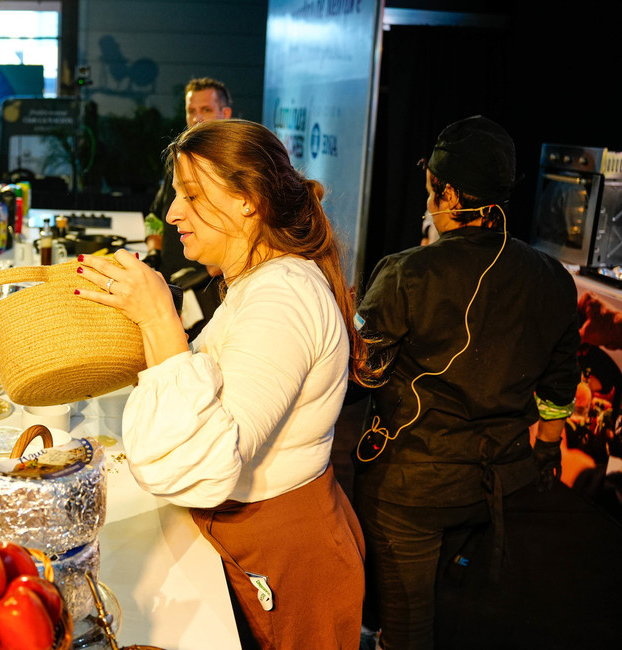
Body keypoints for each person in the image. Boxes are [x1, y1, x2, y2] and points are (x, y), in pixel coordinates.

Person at [75, 119, 369, 649]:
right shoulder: (258, 284)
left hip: (287, 562)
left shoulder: (283, 298)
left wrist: (161, 319)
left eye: (190, 194)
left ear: (248, 201)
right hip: (259, 546)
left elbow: (211, 459)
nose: (172, 213)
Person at [353, 115, 581, 649]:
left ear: (449, 193)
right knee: (460, 614)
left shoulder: (408, 272)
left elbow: (362, 370)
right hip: (498, 485)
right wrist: (546, 451)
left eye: (432, 188)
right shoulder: (552, 278)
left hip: (409, 489)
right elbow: (557, 387)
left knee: (408, 630)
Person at [145, 77, 233, 339]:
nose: (197, 118)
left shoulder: (233, 166)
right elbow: (155, 214)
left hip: (208, 290)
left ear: (225, 113)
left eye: (206, 110)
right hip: (171, 282)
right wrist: (152, 253)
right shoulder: (177, 160)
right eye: (191, 111)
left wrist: (197, 276)